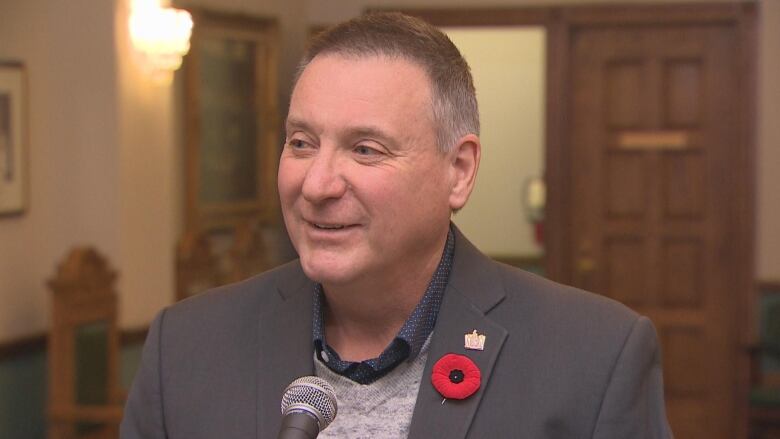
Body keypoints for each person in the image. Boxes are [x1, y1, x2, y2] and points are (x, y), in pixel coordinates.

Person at [121, 12, 672, 439]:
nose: (317, 185)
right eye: (301, 143)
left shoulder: (592, 356)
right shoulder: (186, 348)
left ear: (458, 171)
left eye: (365, 149)